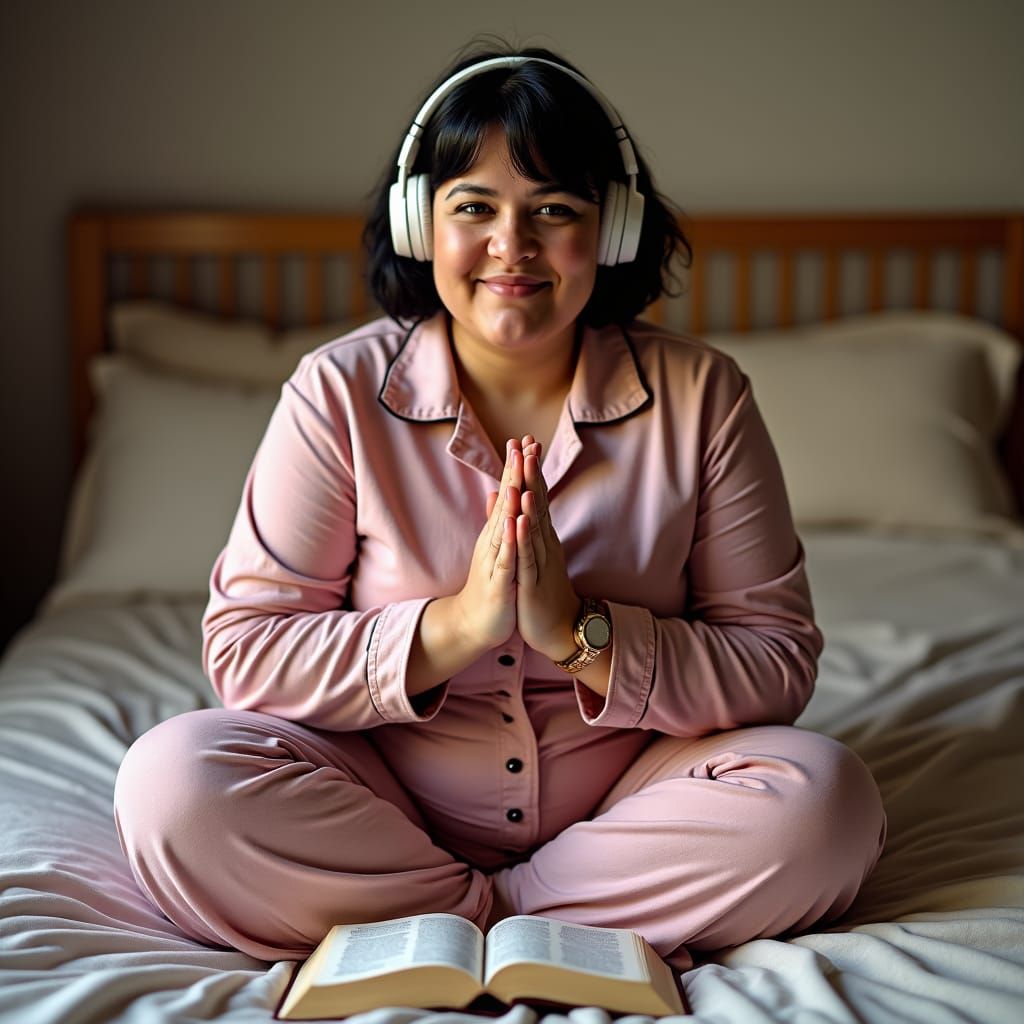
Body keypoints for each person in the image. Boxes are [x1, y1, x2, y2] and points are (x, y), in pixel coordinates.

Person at [113, 43, 887, 971]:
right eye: (473, 207)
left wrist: (580, 634)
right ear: (420, 224)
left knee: (827, 802)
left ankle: (484, 913)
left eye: (553, 210)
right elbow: (247, 649)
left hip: (632, 803)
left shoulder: (703, 396)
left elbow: (775, 660)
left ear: (612, 230)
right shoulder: (336, 393)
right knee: (173, 786)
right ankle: (528, 915)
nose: (510, 246)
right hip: (380, 802)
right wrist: (455, 628)